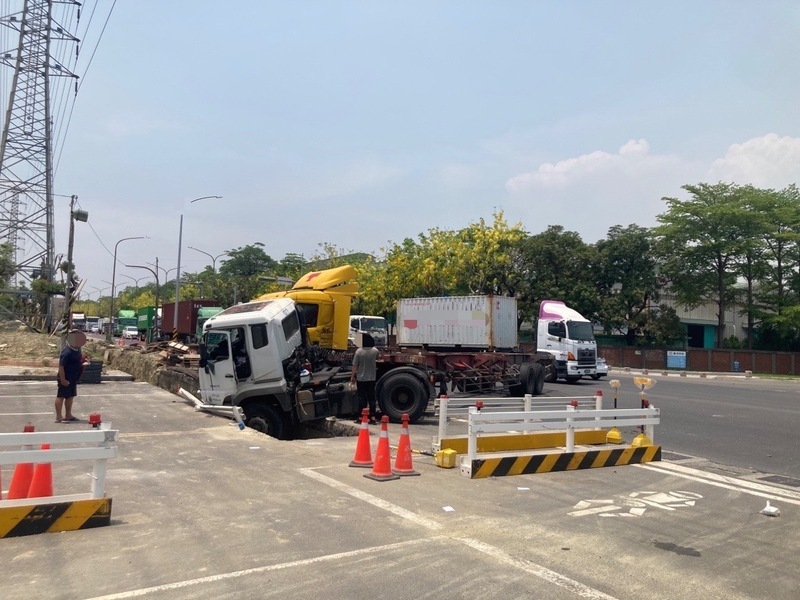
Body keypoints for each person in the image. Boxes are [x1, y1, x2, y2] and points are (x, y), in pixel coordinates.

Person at [55, 330, 86, 423]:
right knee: (61, 396)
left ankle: (68, 415)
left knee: (70, 396)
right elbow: (61, 366)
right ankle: (58, 417)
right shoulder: (67, 352)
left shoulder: (78, 350)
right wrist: (63, 379)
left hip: (73, 377)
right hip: (66, 377)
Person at [350, 333, 380, 424]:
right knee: (372, 398)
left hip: (361, 379)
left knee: (362, 398)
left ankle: (361, 417)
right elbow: (378, 359)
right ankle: (373, 417)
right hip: (372, 378)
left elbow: (355, 366)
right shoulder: (375, 351)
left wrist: (352, 377)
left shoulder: (359, 352)